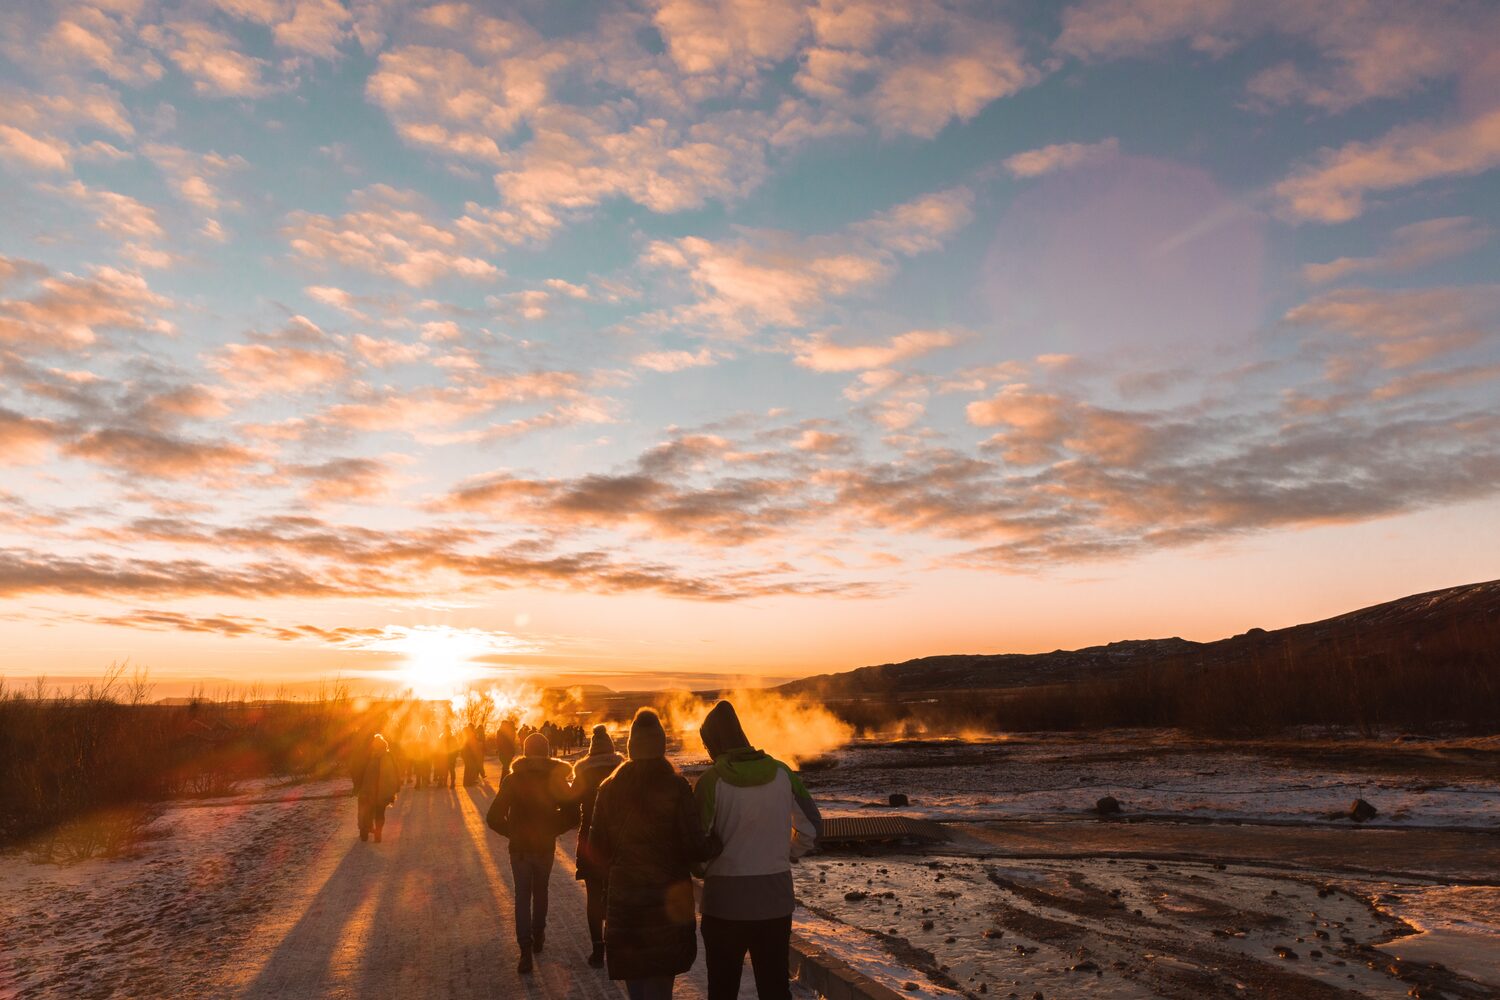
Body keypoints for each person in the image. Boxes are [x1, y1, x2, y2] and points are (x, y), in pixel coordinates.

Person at [694, 700, 822, 1000]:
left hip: (724, 906)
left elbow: (696, 847)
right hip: (774, 902)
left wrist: (703, 871)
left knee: (723, 990)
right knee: (775, 988)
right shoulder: (782, 773)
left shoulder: (710, 782)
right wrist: (788, 851)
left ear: (714, 742)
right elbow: (812, 830)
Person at [590, 710, 719, 1000]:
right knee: (660, 987)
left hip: (625, 904)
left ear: (631, 746)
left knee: (637, 987)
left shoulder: (608, 789)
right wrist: (718, 843)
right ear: (660, 744)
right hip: (666, 904)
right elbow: (695, 847)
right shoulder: (676, 787)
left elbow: (596, 850)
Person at [486, 732, 578, 973]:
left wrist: (513, 832)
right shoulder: (555, 779)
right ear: (546, 752)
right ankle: (539, 936)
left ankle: (525, 950)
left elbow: (493, 817)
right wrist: (551, 829)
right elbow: (573, 815)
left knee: (522, 897)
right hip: (544, 847)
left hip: (519, 850)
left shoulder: (513, 779)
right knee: (541, 891)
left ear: (525, 752)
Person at [572, 724, 625, 966]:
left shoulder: (582, 771)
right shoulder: (622, 769)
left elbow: (572, 801)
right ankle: (615, 945)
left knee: (593, 895)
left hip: (590, 839)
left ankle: (597, 950)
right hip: (618, 839)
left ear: (592, 749)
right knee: (616, 894)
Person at [356, 733, 401, 843]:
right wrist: (395, 787)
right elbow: (396, 772)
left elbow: (360, 772)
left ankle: (366, 833)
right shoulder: (388, 756)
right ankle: (377, 833)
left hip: (370, 790)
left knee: (367, 812)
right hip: (382, 791)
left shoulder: (370, 757)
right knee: (379, 813)